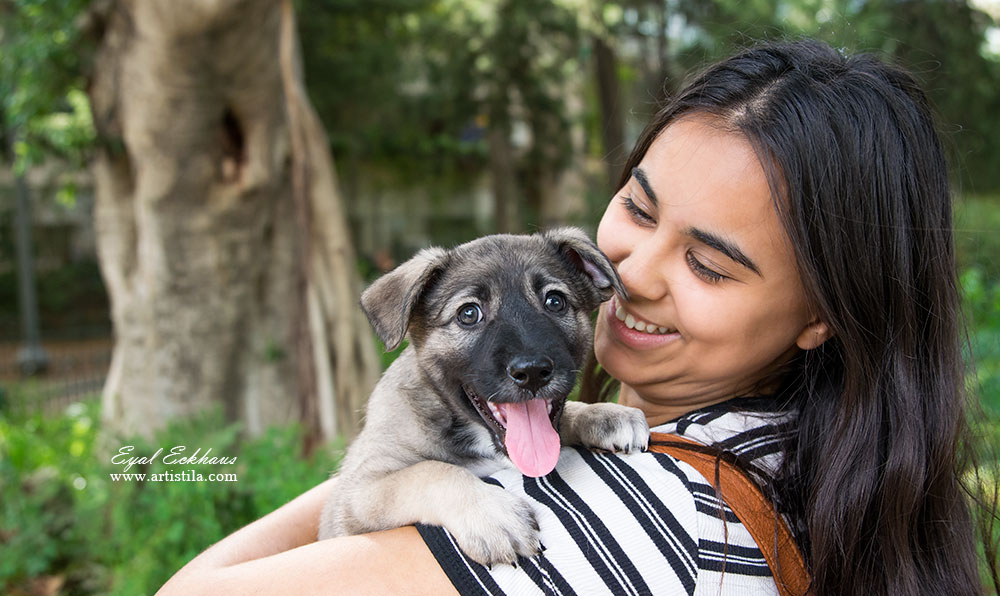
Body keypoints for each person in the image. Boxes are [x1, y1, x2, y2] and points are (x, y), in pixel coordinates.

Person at [157, 39, 998, 596]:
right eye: (636, 207)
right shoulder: (812, 463)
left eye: (707, 264)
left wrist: (390, 468)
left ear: (822, 316)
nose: (630, 277)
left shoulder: (652, 521)